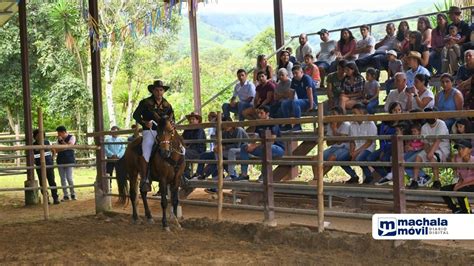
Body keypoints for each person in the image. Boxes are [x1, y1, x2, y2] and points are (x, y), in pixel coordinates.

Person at [132, 80, 174, 191]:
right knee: (146, 149)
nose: (159, 92)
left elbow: (172, 118)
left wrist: (171, 125)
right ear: (153, 91)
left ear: (163, 91)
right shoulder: (145, 102)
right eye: (156, 90)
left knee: (178, 147)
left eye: (161, 90)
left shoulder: (167, 105)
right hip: (149, 131)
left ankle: (180, 174)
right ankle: (145, 179)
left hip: (163, 132)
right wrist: (144, 123)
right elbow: (135, 115)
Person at [192, 116, 248, 181]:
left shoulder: (238, 130)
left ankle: (228, 175)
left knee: (221, 156)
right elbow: (222, 143)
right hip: (227, 151)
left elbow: (237, 145)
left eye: (226, 124)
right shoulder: (224, 131)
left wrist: (223, 147)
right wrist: (217, 146)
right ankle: (201, 174)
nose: (225, 126)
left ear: (231, 123)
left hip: (241, 150)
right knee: (207, 155)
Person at [407, 108, 450, 189]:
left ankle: (437, 181)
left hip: (442, 148)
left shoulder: (441, 124)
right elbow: (425, 143)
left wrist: (431, 153)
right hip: (429, 148)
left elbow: (438, 140)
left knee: (433, 157)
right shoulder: (424, 127)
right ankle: (415, 180)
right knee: (418, 157)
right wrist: (428, 151)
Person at [239, 105, 285, 181]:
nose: (259, 115)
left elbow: (271, 141)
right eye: (258, 113)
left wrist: (255, 145)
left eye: (261, 113)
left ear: (267, 114)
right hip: (263, 146)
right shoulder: (259, 123)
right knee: (244, 147)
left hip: (277, 148)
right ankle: (244, 175)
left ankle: (264, 175)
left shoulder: (273, 123)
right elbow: (256, 136)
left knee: (266, 147)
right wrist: (251, 145)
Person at [345, 103, 377, 184]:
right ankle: (353, 176)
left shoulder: (370, 123)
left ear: (362, 112)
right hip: (356, 148)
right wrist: (352, 152)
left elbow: (369, 142)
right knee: (341, 158)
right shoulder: (352, 124)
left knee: (360, 158)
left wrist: (356, 152)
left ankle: (369, 176)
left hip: (368, 148)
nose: (353, 115)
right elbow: (352, 141)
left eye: (355, 113)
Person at [367, 102, 399, 182]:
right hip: (384, 146)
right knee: (370, 158)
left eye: (399, 110)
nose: (397, 112)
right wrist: (383, 149)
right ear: (391, 111)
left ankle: (392, 177)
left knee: (386, 158)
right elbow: (381, 137)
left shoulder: (402, 123)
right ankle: (386, 176)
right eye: (395, 110)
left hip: (395, 147)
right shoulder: (385, 123)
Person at [440, 139, 474, 213]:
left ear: (470, 150)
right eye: (459, 149)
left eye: (463, 148)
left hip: (471, 184)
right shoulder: (458, 160)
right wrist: (459, 183)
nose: (460, 150)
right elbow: (461, 177)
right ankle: (456, 209)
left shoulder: (473, 161)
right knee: (444, 189)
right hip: (464, 183)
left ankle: (467, 212)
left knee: (460, 191)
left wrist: (461, 185)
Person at [281, 65, 317, 131]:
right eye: (293, 73)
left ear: (301, 72)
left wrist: (311, 106)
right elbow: (292, 93)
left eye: (296, 73)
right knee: (284, 103)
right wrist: (290, 103)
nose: (294, 75)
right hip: (301, 102)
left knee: (295, 102)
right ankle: (287, 124)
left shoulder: (306, 78)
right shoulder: (294, 80)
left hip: (310, 101)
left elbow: (310, 92)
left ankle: (298, 125)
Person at [318, 106, 351, 177]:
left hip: (345, 148)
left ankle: (318, 178)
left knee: (332, 158)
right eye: (331, 114)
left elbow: (340, 141)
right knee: (316, 158)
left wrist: (334, 130)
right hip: (333, 148)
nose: (332, 116)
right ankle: (316, 177)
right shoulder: (331, 125)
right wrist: (338, 137)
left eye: (334, 114)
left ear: (341, 115)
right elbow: (328, 143)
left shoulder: (347, 125)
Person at [33, 129, 60, 205]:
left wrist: (53, 158)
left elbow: (53, 150)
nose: (40, 137)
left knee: (52, 182)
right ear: (35, 136)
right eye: (38, 135)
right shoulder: (33, 145)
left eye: (41, 135)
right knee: (42, 183)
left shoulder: (47, 142)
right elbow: (32, 155)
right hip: (39, 166)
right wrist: (35, 161)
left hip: (49, 165)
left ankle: (55, 198)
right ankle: (46, 199)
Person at [182, 112, 206, 179]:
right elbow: (182, 138)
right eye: (190, 119)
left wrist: (187, 146)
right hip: (188, 149)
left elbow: (197, 141)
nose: (191, 121)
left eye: (193, 119)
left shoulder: (200, 129)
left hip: (198, 151)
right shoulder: (187, 129)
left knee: (184, 154)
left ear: (197, 120)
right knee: (179, 153)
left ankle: (186, 175)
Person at [55, 125, 76, 201]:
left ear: (63, 132)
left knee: (69, 178)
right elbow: (56, 150)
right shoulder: (58, 140)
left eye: (59, 133)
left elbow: (70, 146)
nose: (58, 135)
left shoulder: (72, 137)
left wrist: (62, 143)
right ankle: (66, 195)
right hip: (60, 160)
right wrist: (65, 147)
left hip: (69, 160)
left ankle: (73, 194)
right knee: (62, 179)